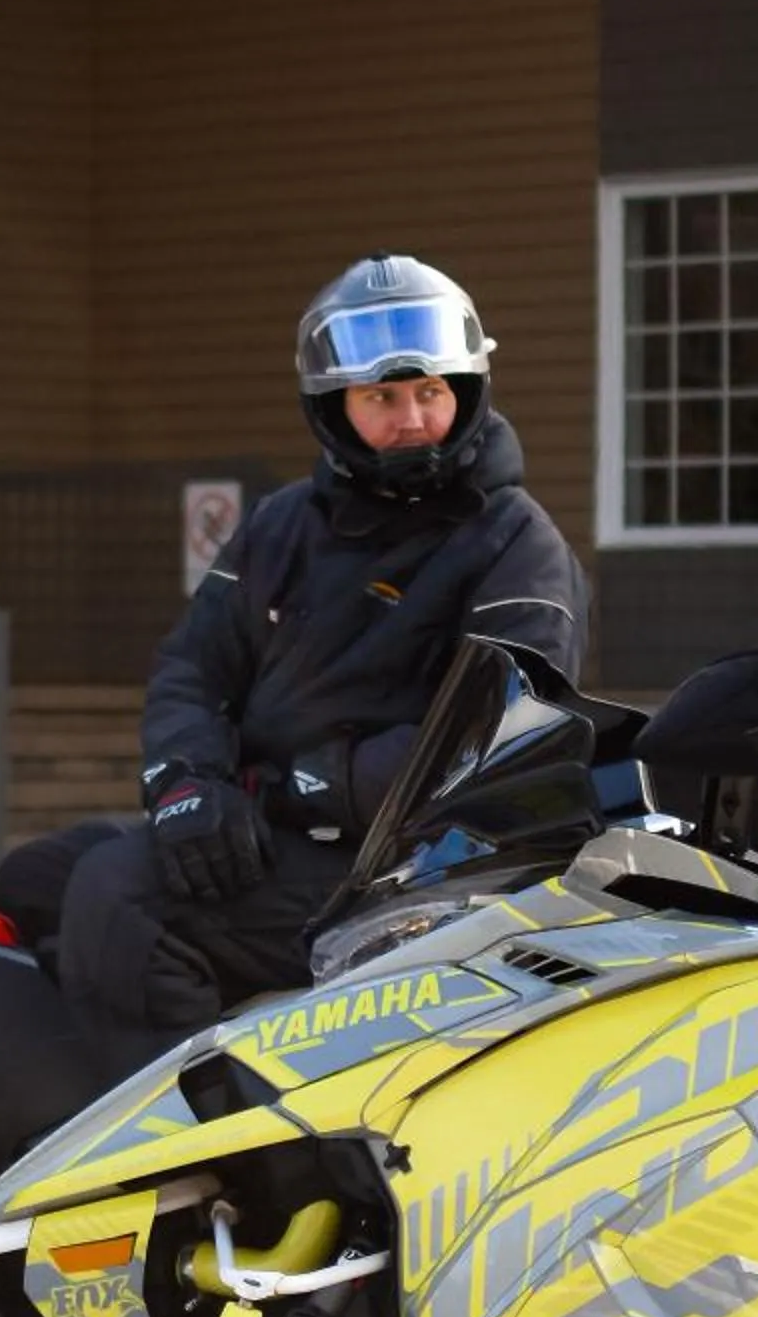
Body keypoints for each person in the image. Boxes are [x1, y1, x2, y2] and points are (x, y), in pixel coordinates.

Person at [34, 254, 587, 1050]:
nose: (412, 419)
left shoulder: (517, 545)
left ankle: (198, 1123)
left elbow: (498, 734)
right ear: (334, 407)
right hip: (272, 829)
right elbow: (193, 669)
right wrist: (188, 783)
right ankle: (41, 1097)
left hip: (414, 864)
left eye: (431, 393)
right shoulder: (282, 524)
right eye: (382, 398)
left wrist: (311, 785)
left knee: (120, 899)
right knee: (36, 881)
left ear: (468, 392)